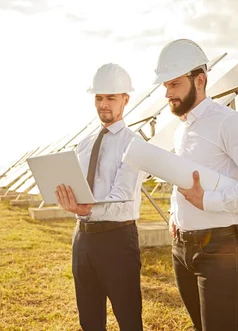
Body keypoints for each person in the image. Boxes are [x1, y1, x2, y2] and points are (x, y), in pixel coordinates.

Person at [152, 39, 238, 331]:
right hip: (181, 248)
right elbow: (184, 178)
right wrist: (175, 213)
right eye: (166, 87)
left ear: (200, 80)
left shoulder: (229, 122)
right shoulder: (181, 129)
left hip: (220, 248)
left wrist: (208, 202)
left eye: (174, 85)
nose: (167, 94)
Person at [55, 63, 145, 331]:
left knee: (128, 319)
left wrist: (86, 209)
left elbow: (122, 196)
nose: (103, 104)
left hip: (117, 240)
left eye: (110, 98)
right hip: (82, 239)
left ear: (125, 100)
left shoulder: (134, 143)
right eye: (99, 98)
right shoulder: (84, 143)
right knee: (89, 319)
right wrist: (67, 200)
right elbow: (77, 186)